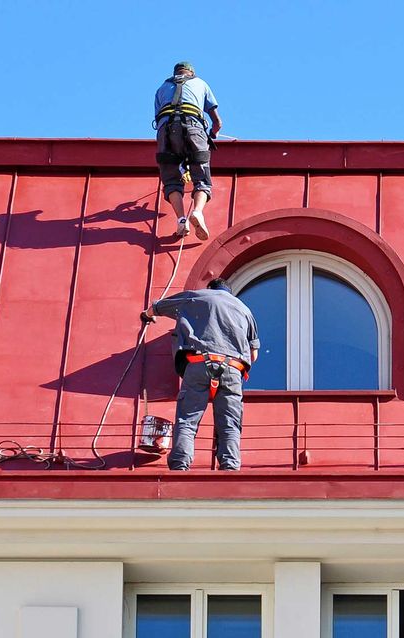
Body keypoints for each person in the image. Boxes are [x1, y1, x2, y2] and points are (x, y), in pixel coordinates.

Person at [141, 278, 259, 470]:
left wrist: (147, 315)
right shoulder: (244, 310)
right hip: (233, 368)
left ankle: (180, 466)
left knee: (188, 419)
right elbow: (253, 354)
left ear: (210, 288)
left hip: (198, 363)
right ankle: (230, 467)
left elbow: (159, 307)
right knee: (229, 424)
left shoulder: (195, 297)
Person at [153, 61, 222, 241]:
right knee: (201, 177)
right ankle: (198, 212)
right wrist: (213, 134)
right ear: (191, 72)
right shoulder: (200, 83)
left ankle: (181, 220)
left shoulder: (162, 88)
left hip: (166, 133)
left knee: (171, 180)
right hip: (193, 128)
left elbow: (158, 117)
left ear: (175, 73)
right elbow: (217, 122)